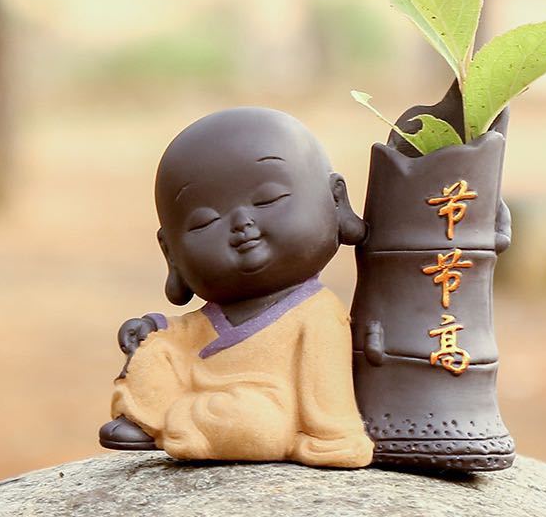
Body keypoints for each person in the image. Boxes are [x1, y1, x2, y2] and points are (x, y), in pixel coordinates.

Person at [98, 108, 373, 468]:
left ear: (336, 201)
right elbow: (188, 335)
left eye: (268, 199)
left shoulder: (318, 312)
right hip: (203, 389)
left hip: (261, 405)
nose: (242, 224)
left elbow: (327, 391)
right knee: (156, 353)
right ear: (172, 254)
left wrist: (335, 437)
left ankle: (172, 419)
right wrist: (153, 330)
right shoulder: (215, 314)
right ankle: (148, 415)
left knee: (260, 424)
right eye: (205, 221)